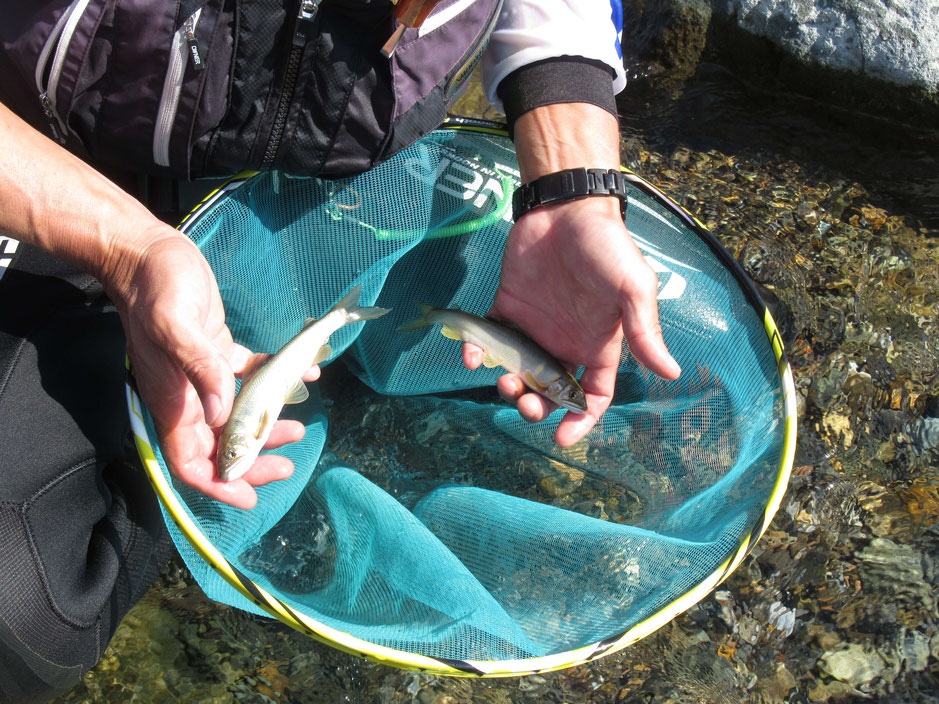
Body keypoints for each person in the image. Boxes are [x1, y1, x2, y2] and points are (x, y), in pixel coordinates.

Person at [0, 1, 679, 700]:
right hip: (54, 171)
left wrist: (573, 192)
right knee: (20, 624)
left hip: (335, 190)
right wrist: (125, 246)